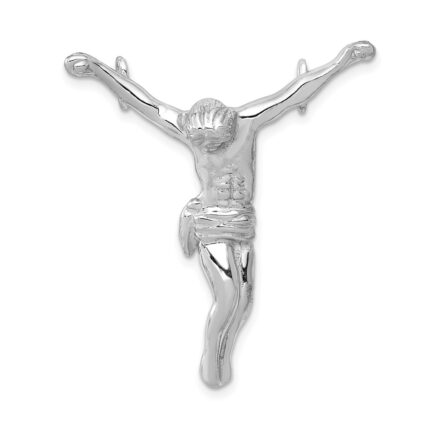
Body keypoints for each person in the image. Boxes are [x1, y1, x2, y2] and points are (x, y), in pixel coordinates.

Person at [65, 41, 375, 387]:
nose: (209, 151)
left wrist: (343, 60)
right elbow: (143, 102)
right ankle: (211, 359)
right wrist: (96, 69)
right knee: (228, 296)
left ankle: (222, 355)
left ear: (229, 130)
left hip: (241, 222)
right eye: (203, 147)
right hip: (210, 222)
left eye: (217, 145)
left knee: (244, 302)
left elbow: (294, 93)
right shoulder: (186, 128)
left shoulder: (248, 122)